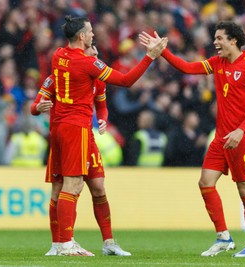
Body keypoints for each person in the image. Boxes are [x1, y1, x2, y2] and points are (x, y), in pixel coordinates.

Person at [140, 21, 245, 257]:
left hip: (244, 138)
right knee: (205, 182)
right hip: (221, 138)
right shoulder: (217, 64)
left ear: (233, 41)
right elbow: (187, 68)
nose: (215, 42)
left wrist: (240, 130)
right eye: (215, 38)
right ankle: (223, 237)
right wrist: (162, 51)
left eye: (220, 38)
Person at [48, 15, 167, 256]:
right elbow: (126, 80)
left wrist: (102, 114)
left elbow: (92, 94)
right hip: (76, 128)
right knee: (72, 185)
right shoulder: (88, 63)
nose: (93, 35)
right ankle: (65, 244)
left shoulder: (58, 55)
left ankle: (107, 243)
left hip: (69, 128)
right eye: (90, 32)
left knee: (98, 187)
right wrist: (150, 56)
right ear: (82, 37)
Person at [31, 44, 131, 256]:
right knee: (62, 189)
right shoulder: (57, 77)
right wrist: (37, 108)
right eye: (93, 53)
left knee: (98, 187)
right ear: (82, 56)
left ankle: (109, 242)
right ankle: (59, 244)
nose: (96, 57)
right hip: (68, 134)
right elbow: (35, 106)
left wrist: (103, 119)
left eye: (97, 53)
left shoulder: (98, 79)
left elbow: (102, 106)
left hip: (87, 136)